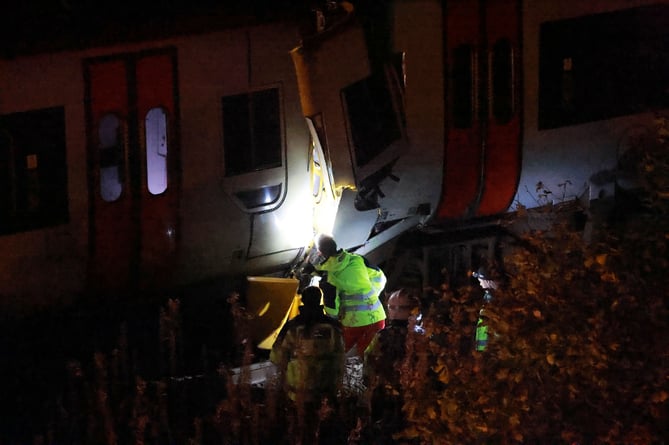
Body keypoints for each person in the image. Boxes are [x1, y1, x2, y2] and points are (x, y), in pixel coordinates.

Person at [269, 286, 345, 443]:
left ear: (302, 301)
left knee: (300, 430)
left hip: (297, 394)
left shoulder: (292, 327)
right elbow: (340, 358)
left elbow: (276, 356)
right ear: (320, 301)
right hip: (326, 393)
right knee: (324, 432)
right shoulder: (333, 327)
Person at [303, 234, 387, 356]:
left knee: (337, 354)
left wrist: (333, 324)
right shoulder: (357, 259)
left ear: (320, 253)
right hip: (377, 317)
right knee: (371, 358)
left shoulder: (329, 278)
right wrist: (372, 294)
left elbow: (332, 311)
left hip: (353, 323)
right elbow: (380, 277)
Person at [363, 288, 424, 443]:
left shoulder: (383, 336)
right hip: (411, 395)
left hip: (385, 393)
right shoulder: (421, 336)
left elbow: (368, 360)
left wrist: (369, 385)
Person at [472, 267, 498, 352]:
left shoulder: (492, 297)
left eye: (480, 281)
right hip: (485, 343)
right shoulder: (488, 294)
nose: (480, 284)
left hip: (489, 345)